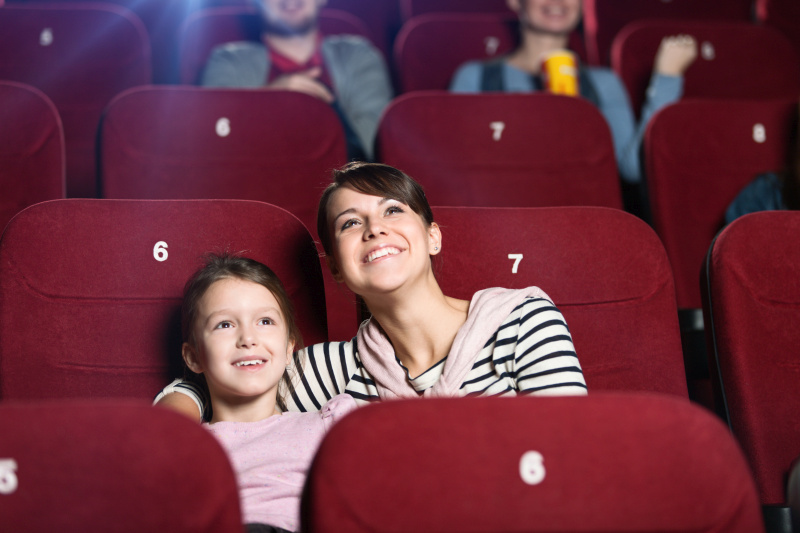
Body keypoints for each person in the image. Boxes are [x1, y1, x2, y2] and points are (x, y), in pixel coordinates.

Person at [156, 162, 587, 419]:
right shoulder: (328, 371)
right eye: (349, 223)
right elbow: (219, 379)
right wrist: (181, 414)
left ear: (433, 237)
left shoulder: (522, 318)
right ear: (338, 269)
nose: (374, 228)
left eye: (393, 210)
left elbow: (573, 452)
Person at [177, 253, 355, 533]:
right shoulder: (183, 447)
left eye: (265, 321)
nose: (248, 339)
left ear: (288, 349)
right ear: (193, 357)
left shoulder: (330, 425)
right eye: (225, 324)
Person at [449, 0, 697, 186]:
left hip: (581, 215)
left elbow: (631, 168)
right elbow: (459, 168)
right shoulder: (476, 77)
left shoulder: (603, 83)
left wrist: (667, 77)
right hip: (501, 212)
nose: (558, 1)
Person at [201, 0, 392, 161]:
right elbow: (215, 141)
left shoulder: (358, 54)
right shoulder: (227, 60)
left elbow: (374, 150)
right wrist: (266, 102)